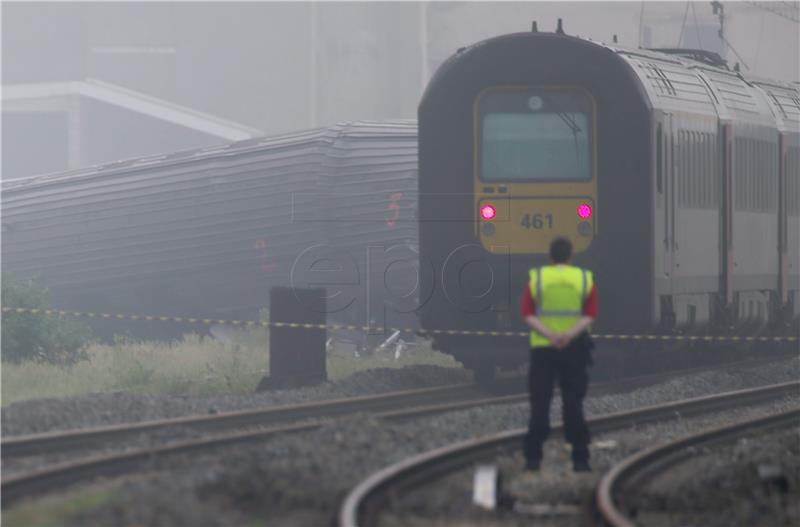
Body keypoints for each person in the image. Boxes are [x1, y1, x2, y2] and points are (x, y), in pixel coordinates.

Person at [520, 237, 597, 472]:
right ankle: (580, 459)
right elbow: (590, 314)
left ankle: (533, 459)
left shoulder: (538, 278)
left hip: (543, 349)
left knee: (540, 402)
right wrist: (567, 335)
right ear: (571, 255)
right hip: (574, 349)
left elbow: (527, 313)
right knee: (573, 403)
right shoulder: (583, 279)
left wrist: (551, 335)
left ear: (550, 256)